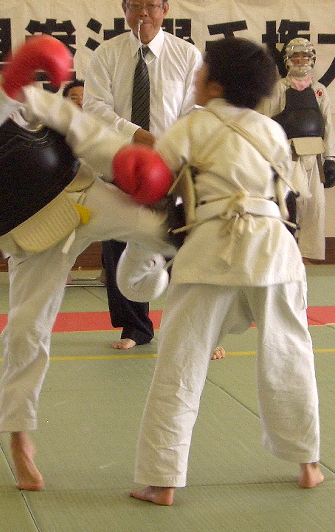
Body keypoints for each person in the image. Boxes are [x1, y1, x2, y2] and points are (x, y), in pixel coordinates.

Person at [0, 17, 177, 492]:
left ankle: (142, 278)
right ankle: (19, 437)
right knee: (26, 329)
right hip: (32, 232)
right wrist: (12, 80)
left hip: (77, 195)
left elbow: (76, 127)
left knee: (163, 227)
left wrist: (120, 158)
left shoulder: (10, 90)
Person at [124, 38, 323, 507]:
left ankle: (162, 478)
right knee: (290, 353)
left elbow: (155, 188)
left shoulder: (189, 126)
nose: (194, 78)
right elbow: (285, 192)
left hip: (213, 247)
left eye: (201, 71)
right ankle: (307, 463)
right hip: (275, 249)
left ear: (215, 83)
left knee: (180, 362)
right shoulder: (272, 131)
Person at [84, 0, 202, 350]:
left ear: (165, 9)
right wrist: (137, 135)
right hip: (122, 161)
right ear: (123, 9)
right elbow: (94, 107)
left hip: (175, 162)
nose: (143, 14)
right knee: (120, 241)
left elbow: (196, 108)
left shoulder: (187, 55)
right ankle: (135, 327)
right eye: (135, 6)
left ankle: (197, 328)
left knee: (187, 243)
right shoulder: (106, 54)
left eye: (151, 6)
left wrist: (167, 145)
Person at [258, 38, 335, 264]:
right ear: (287, 60)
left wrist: (331, 158)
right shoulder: (279, 88)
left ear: (312, 59)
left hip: (315, 155)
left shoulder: (319, 90)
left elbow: (327, 124)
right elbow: (266, 120)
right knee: (290, 202)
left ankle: (309, 254)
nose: (300, 60)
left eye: (305, 56)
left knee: (315, 206)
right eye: (296, 56)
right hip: (288, 154)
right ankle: (286, 250)